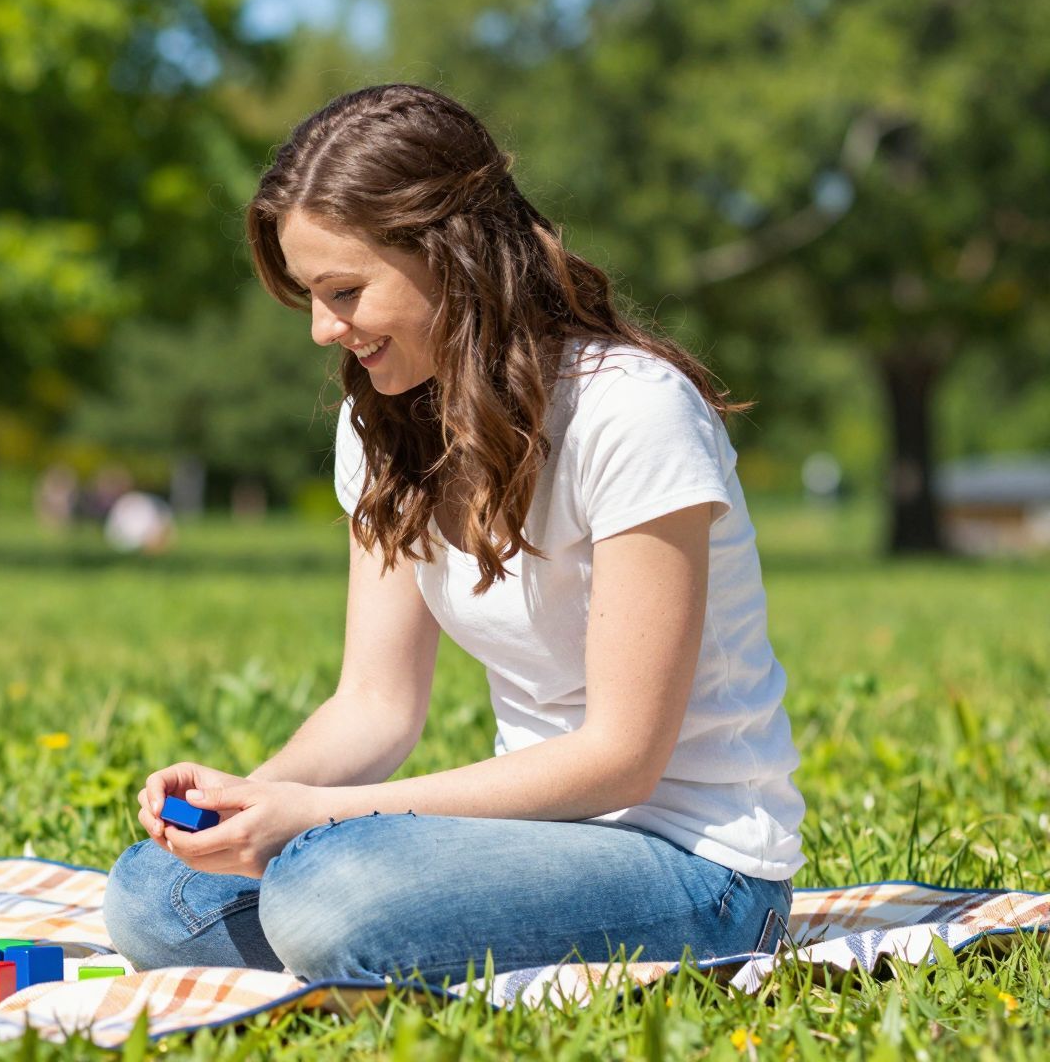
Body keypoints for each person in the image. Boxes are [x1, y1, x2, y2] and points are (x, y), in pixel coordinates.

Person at [104, 84, 804, 984]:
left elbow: (623, 760)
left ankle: (357, 932)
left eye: (344, 291)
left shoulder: (633, 410)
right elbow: (375, 705)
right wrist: (251, 803)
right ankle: (361, 937)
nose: (322, 329)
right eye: (311, 297)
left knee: (326, 887)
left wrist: (314, 820)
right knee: (154, 894)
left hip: (698, 869)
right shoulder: (383, 425)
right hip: (533, 841)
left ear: (451, 254)